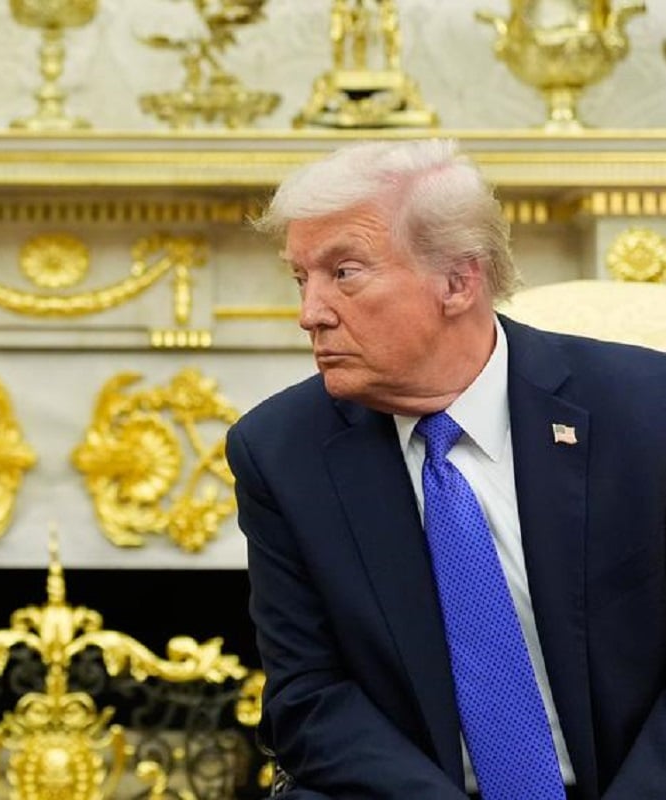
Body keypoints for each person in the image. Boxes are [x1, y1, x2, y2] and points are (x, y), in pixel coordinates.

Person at [225, 138, 666, 799]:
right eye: (301, 279)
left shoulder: (644, 409)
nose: (309, 313)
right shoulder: (280, 452)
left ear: (458, 282)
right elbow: (308, 698)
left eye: (344, 273)